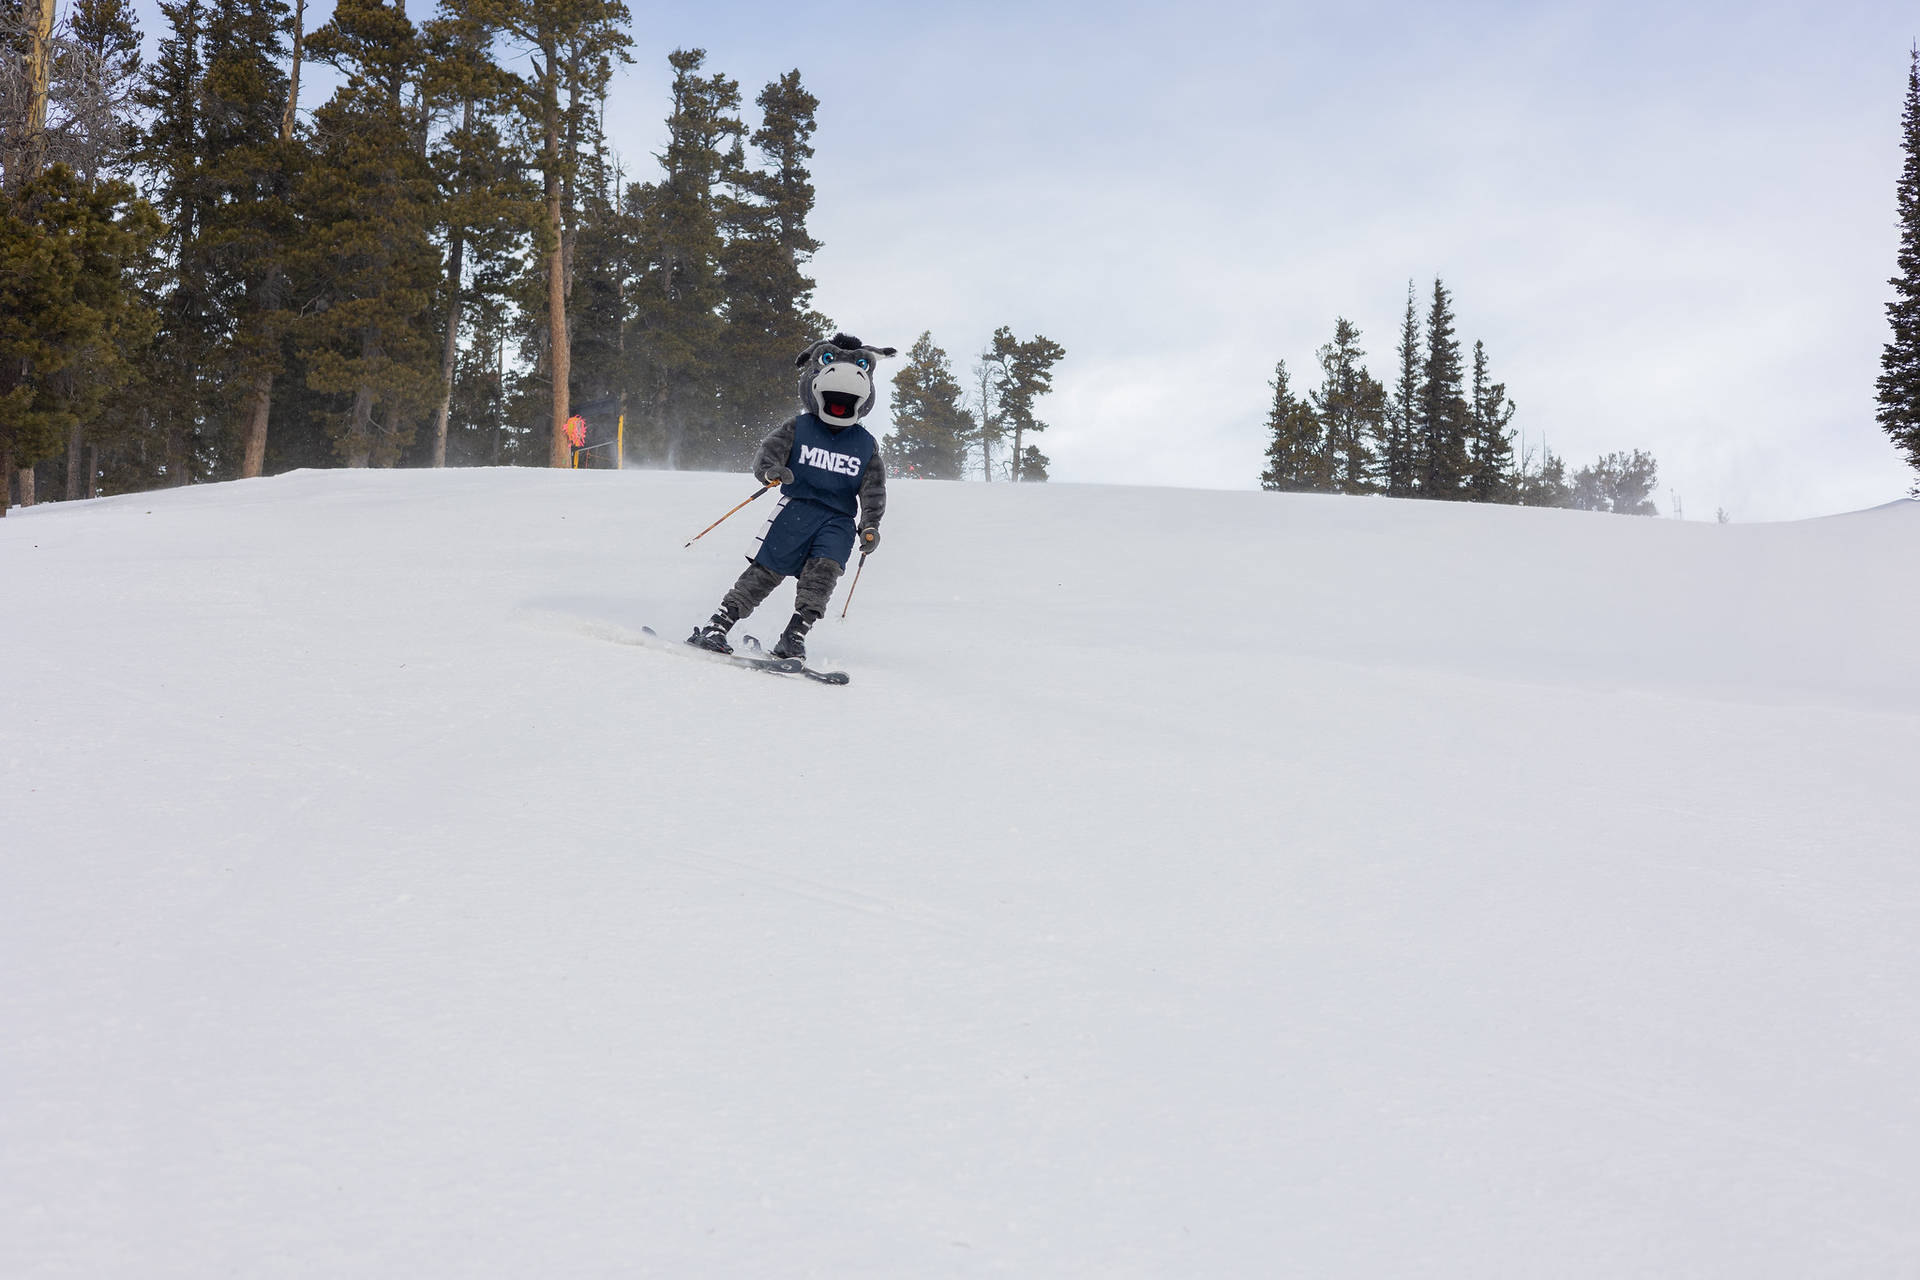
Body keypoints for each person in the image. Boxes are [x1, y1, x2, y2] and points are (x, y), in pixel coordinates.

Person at [689, 333, 895, 661]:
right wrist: (771, 471)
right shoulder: (799, 427)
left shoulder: (865, 444)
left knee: (824, 574)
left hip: (838, 521)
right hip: (796, 510)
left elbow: (873, 490)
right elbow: (769, 453)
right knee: (767, 570)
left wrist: (870, 525)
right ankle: (719, 623)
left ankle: (795, 635)